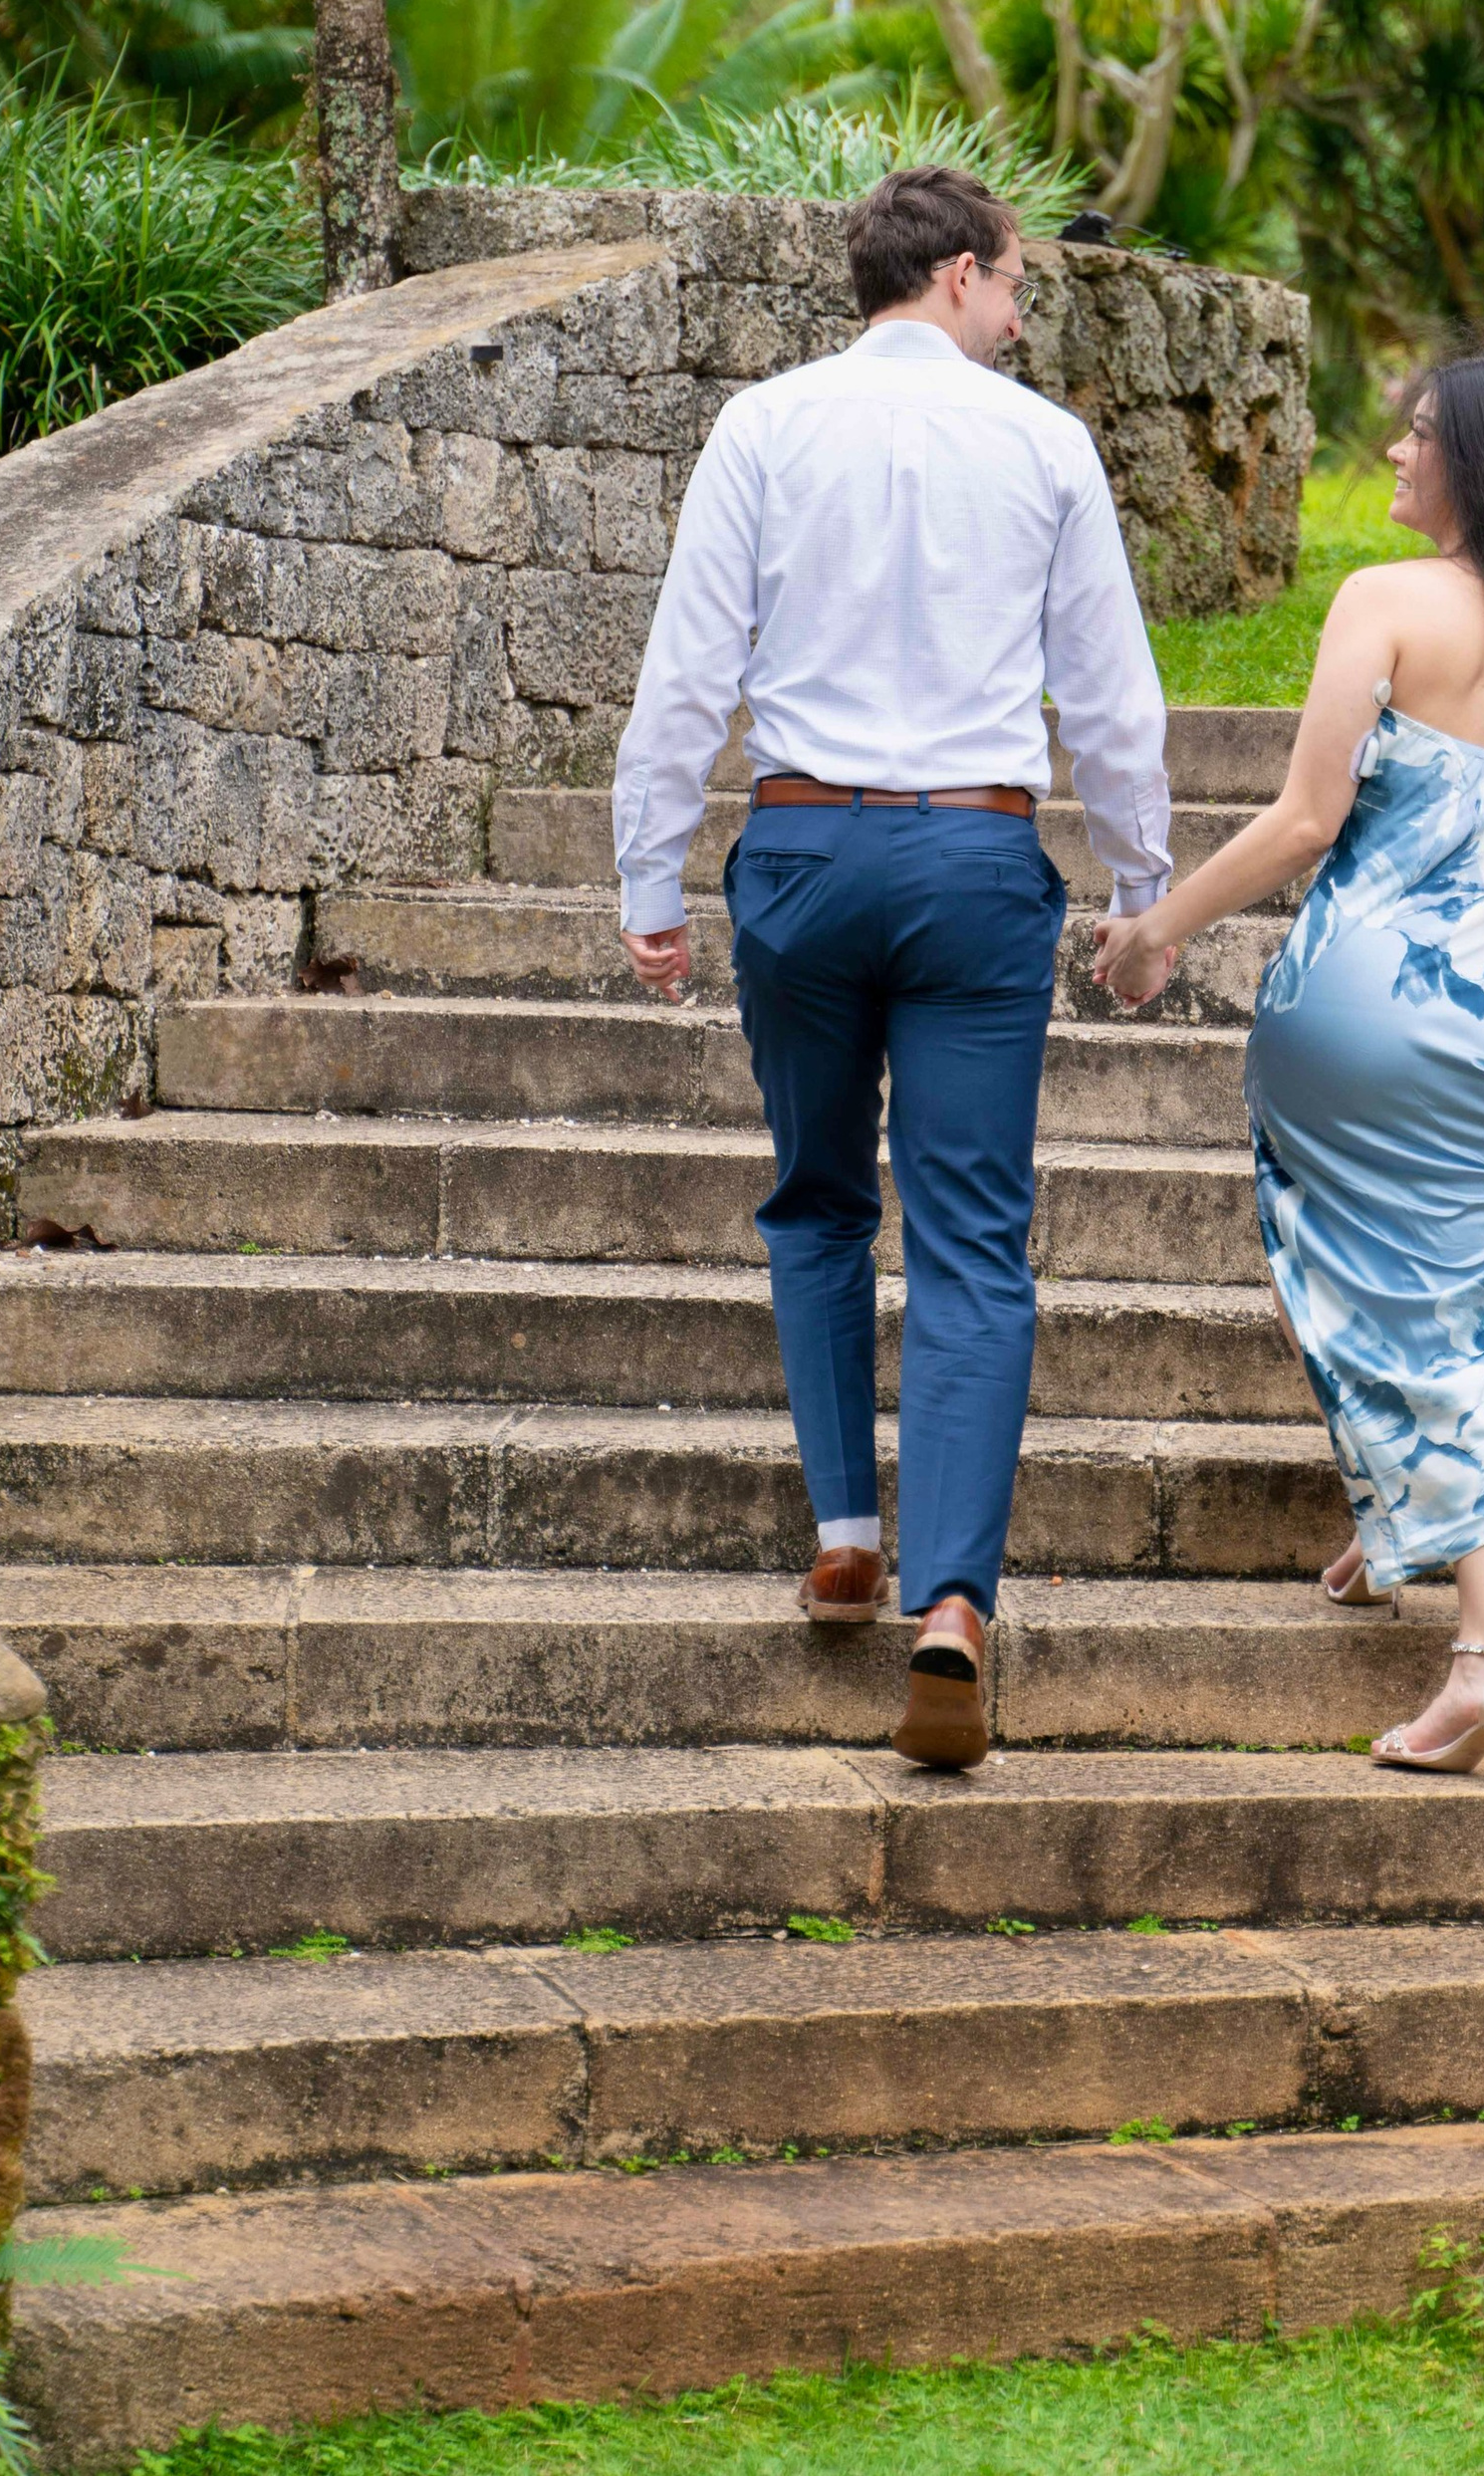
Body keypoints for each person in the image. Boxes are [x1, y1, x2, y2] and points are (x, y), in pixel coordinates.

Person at [613, 165, 1173, 1771]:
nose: (1017, 313)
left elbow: (687, 666)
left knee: (815, 1197)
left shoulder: (761, 427)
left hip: (799, 853)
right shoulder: (1046, 443)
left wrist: (651, 874)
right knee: (977, 1234)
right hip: (973, 861)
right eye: (1011, 286)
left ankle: (846, 1530)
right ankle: (953, 1608)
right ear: (955, 275)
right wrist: (1142, 889)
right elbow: (1110, 698)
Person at [1094, 353, 1484, 1780]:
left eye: (1419, 435)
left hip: (1349, 1008)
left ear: (1481, 464)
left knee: (1373, 1281)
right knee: (1455, 1296)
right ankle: (1398, 1528)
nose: (1392, 452)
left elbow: (1308, 820)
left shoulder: (1385, 602)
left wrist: (1156, 928)